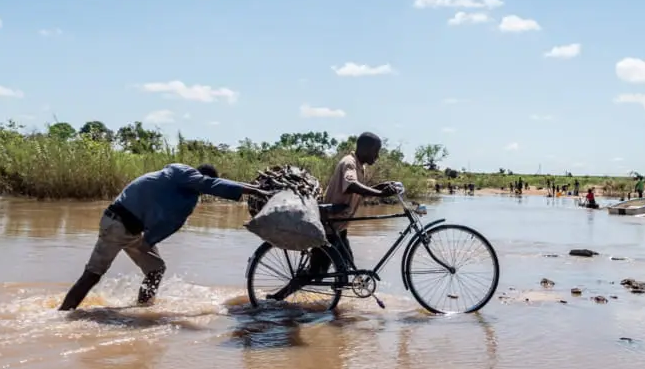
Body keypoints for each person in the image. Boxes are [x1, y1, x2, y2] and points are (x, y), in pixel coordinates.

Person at [58, 163, 272, 310]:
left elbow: (169, 225)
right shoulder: (181, 172)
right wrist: (256, 191)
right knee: (93, 274)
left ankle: (142, 310)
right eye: (202, 184)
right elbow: (211, 185)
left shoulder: (186, 199)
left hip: (133, 230)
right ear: (198, 177)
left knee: (155, 269)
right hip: (118, 223)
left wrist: (148, 242)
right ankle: (62, 315)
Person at [268, 132, 397, 300]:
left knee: (346, 269)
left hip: (340, 226)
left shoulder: (359, 165)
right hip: (331, 225)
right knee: (316, 273)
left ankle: (335, 311)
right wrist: (380, 194)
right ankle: (277, 298)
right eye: (376, 151)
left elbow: (360, 190)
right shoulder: (349, 163)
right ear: (365, 149)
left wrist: (381, 188)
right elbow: (351, 185)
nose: (377, 156)